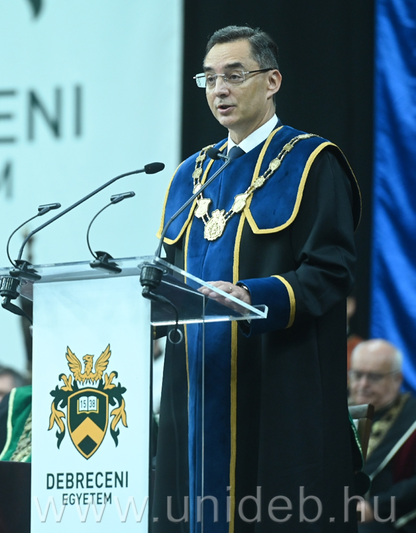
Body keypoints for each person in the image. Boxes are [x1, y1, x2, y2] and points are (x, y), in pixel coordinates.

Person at [154, 26, 362, 531]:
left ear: (272, 82)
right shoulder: (189, 176)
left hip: (275, 380)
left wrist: (252, 295)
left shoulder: (310, 162)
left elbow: (331, 270)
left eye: (234, 75)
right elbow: (168, 277)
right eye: (209, 78)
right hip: (195, 385)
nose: (219, 89)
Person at [349, 339, 416, 531]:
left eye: (374, 377)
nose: (363, 384)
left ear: (397, 379)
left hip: (389, 519)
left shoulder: (411, 419)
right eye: (357, 374)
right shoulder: (336, 412)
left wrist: (375, 507)